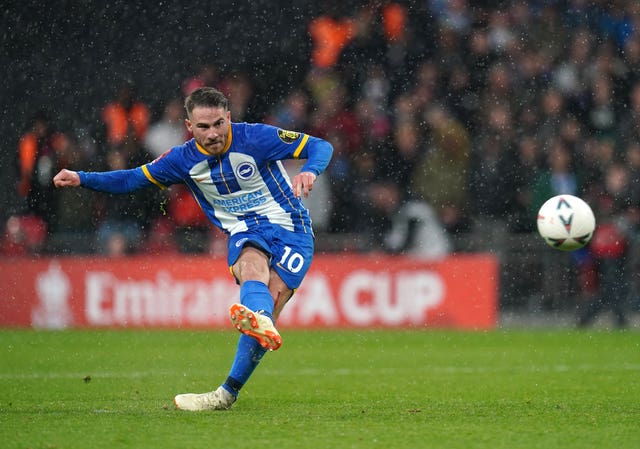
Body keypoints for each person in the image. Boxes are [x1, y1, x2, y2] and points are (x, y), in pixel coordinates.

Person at [53, 87, 333, 410]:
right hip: (245, 230)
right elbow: (132, 179)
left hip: (291, 227)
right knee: (250, 265)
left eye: (218, 124)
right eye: (203, 127)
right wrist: (81, 178)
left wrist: (310, 169)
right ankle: (250, 339)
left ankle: (230, 385)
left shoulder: (255, 137)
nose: (213, 133)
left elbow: (320, 146)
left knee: (267, 308)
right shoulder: (182, 160)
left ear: (229, 118)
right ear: (189, 126)